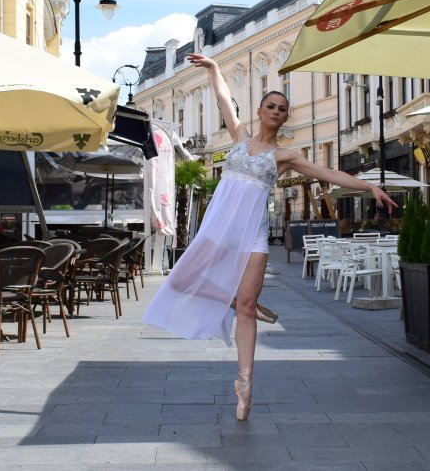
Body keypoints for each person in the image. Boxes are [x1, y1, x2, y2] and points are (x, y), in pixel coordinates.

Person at [143, 53, 396, 422]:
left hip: (254, 234)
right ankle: (233, 299)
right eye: (271, 106)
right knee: (182, 280)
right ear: (260, 111)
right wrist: (214, 69)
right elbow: (223, 99)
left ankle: (245, 383)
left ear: (285, 117)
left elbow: (327, 173)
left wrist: (368, 186)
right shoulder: (238, 137)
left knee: (247, 309)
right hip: (219, 227)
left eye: (282, 108)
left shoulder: (284, 156)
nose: (276, 111)